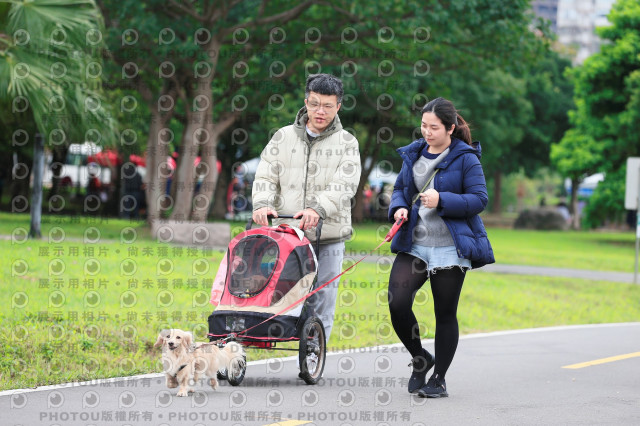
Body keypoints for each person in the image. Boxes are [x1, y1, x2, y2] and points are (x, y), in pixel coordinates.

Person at [387, 97, 494, 398]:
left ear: (450, 128)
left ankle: (439, 379)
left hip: (449, 248)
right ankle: (421, 358)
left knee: (444, 313)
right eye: (424, 125)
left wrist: (442, 200)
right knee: (397, 302)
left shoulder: (466, 158)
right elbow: (400, 188)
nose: (427, 132)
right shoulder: (414, 153)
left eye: (434, 127)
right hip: (415, 243)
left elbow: (479, 199)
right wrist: (399, 207)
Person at [252, 73, 361, 348]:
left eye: (327, 105)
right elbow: (265, 176)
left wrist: (318, 208)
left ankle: (314, 350)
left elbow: (344, 184)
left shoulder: (347, 143)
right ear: (306, 102)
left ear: (338, 106)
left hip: (329, 235)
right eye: (314, 104)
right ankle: (273, 336)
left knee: (322, 297)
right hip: (288, 235)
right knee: (284, 291)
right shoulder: (282, 137)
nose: (319, 111)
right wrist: (262, 203)